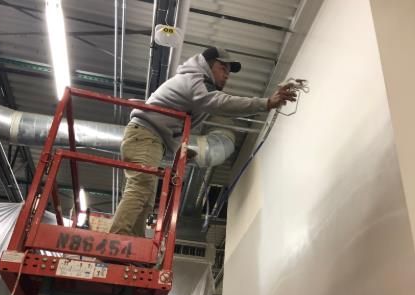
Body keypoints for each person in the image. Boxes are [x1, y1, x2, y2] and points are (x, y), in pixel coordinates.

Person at [109, 46, 297, 237]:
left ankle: (132, 245)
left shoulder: (196, 84)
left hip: (148, 137)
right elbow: (221, 103)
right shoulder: (195, 81)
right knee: (140, 190)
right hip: (145, 136)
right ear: (208, 65)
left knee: (146, 196)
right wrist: (266, 103)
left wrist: (179, 149)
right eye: (223, 68)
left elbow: (171, 125)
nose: (227, 75)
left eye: (229, 72)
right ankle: (117, 240)